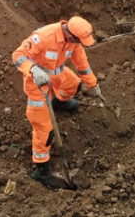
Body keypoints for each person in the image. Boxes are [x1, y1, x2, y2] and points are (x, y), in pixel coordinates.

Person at [11, 17, 102, 189]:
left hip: (57, 76)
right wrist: (33, 70)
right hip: (37, 82)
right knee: (45, 130)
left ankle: (58, 102)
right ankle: (41, 171)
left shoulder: (74, 42)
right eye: (79, 41)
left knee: (73, 84)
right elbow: (17, 55)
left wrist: (93, 84)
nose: (79, 44)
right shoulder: (44, 36)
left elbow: (82, 64)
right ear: (70, 34)